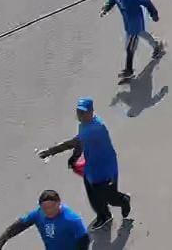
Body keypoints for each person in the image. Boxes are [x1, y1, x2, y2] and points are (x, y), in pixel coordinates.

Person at [36, 99, 130, 231]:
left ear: (91, 112)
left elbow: (74, 143)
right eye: (79, 111)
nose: (80, 115)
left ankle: (124, 200)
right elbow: (80, 145)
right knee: (93, 195)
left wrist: (50, 151)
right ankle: (104, 216)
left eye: (83, 112)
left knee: (109, 197)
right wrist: (74, 158)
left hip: (105, 169)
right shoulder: (84, 125)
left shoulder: (96, 127)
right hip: (91, 167)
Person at [100, 0, 162, 82]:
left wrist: (154, 14)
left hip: (135, 22)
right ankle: (157, 46)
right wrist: (106, 9)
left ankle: (129, 71)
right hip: (127, 22)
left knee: (130, 48)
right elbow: (112, 1)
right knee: (143, 34)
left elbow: (147, 1)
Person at [0, 190, 88, 249]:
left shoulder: (72, 219)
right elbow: (19, 225)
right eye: (45, 208)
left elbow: (84, 240)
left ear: (59, 203)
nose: (48, 211)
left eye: (52, 207)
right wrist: (2, 240)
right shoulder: (38, 214)